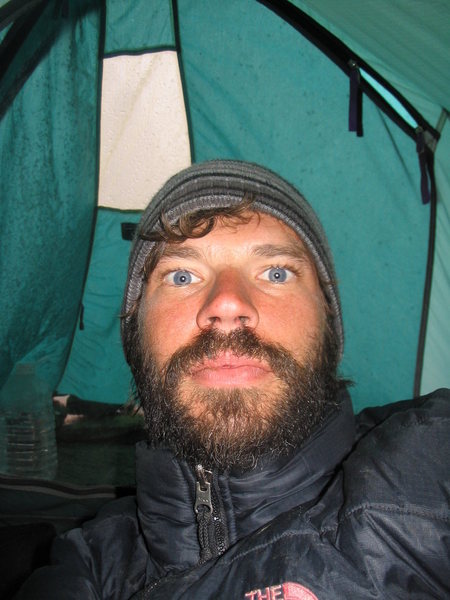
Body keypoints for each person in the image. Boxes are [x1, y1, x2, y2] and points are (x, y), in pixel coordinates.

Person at [17, 161, 449, 599]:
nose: (226, 303)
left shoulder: (423, 488)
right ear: (135, 336)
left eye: (276, 273)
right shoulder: (89, 563)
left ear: (328, 325)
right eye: (181, 276)